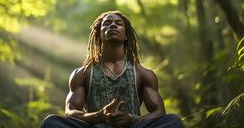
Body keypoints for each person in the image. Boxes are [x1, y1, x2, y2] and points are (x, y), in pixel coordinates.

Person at [41, 11, 184, 128]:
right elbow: (70, 112)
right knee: (51, 122)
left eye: (118, 23)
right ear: (99, 35)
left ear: (126, 35)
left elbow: (159, 111)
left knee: (173, 121)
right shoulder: (82, 74)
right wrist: (98, 116)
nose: (113, 26)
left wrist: (131, 119)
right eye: (107, 24)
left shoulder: (143, 73)